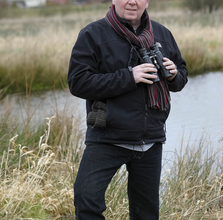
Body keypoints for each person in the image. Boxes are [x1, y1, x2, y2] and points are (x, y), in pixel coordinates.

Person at [67, 0, 188, 219]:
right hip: (107, 137)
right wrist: (129, 76)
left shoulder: (162, 34)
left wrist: (173, 75)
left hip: (150, 140)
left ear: (147, 1)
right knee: (86, 199)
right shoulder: (92, 34)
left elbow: (180, 77)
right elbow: (78, 82)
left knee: (146, 214)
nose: (132, 1)